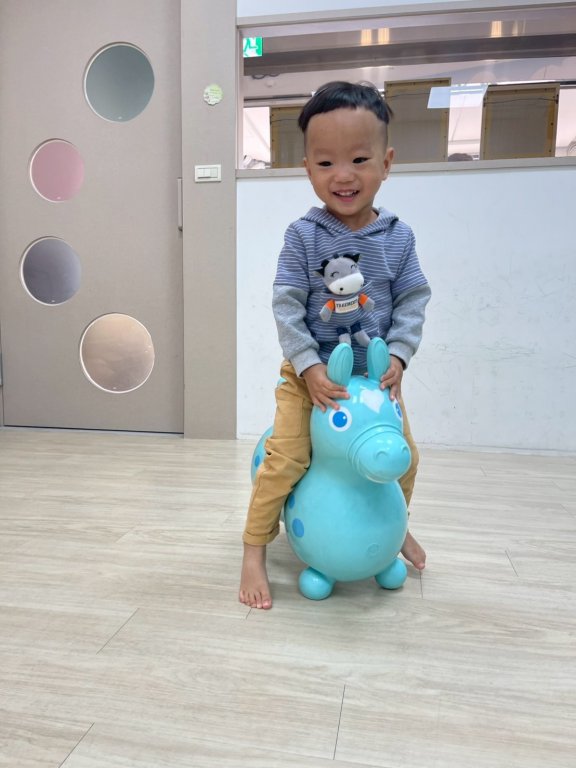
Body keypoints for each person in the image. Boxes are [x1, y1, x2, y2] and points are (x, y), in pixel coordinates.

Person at [239, 81, 431, 610]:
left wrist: (399, 355)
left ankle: (395, 528)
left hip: (375, 382)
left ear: (386, 163)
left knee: (406, 458)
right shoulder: (303, 236)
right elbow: (286, 305)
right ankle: (254, 548)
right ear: (307, 168)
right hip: (311, 382)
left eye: (359, 159)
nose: (343, 175)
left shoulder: (398, 237)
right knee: (286, 458)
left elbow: (413, 299)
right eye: (326, 163)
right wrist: (307, 367)